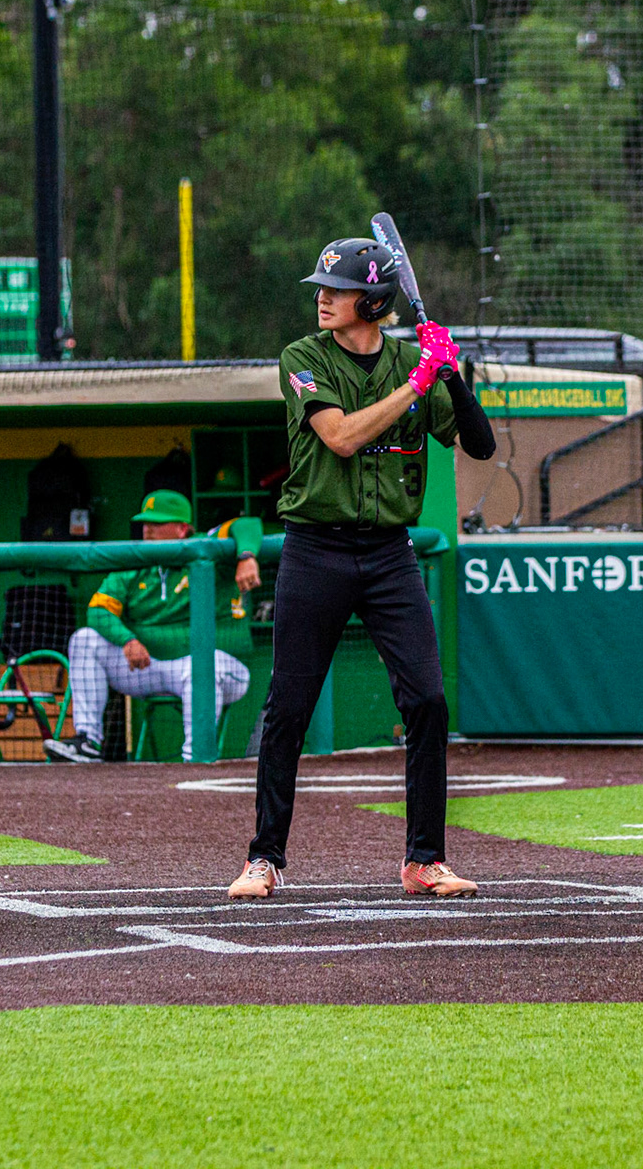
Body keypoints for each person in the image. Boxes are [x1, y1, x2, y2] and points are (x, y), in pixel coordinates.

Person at [229, 236, 496, 901]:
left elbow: (480, 445)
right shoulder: (302, 357)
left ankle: (425, 860)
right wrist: (417, 383)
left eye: (338, 290)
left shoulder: (413, 362)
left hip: (388, 553)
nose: (323, 298)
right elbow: (342, 437)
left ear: (373, 301)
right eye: (323, 288)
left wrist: (450, 375)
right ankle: (263, 859)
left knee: (428, 700)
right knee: (290, 706)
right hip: (314, 548)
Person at [55, 489, 260, 763]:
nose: (148, 529)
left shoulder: (206, 547)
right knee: (84, 639)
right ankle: (87, 741)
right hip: (149, 666)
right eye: (145, 522)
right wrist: (127, 639)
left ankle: (195, 758)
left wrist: (246, 556)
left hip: (220, 668)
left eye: (157, 523)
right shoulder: (135, 561)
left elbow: (246, 524)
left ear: (182, 529)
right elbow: (98, 611)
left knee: (203, 665)